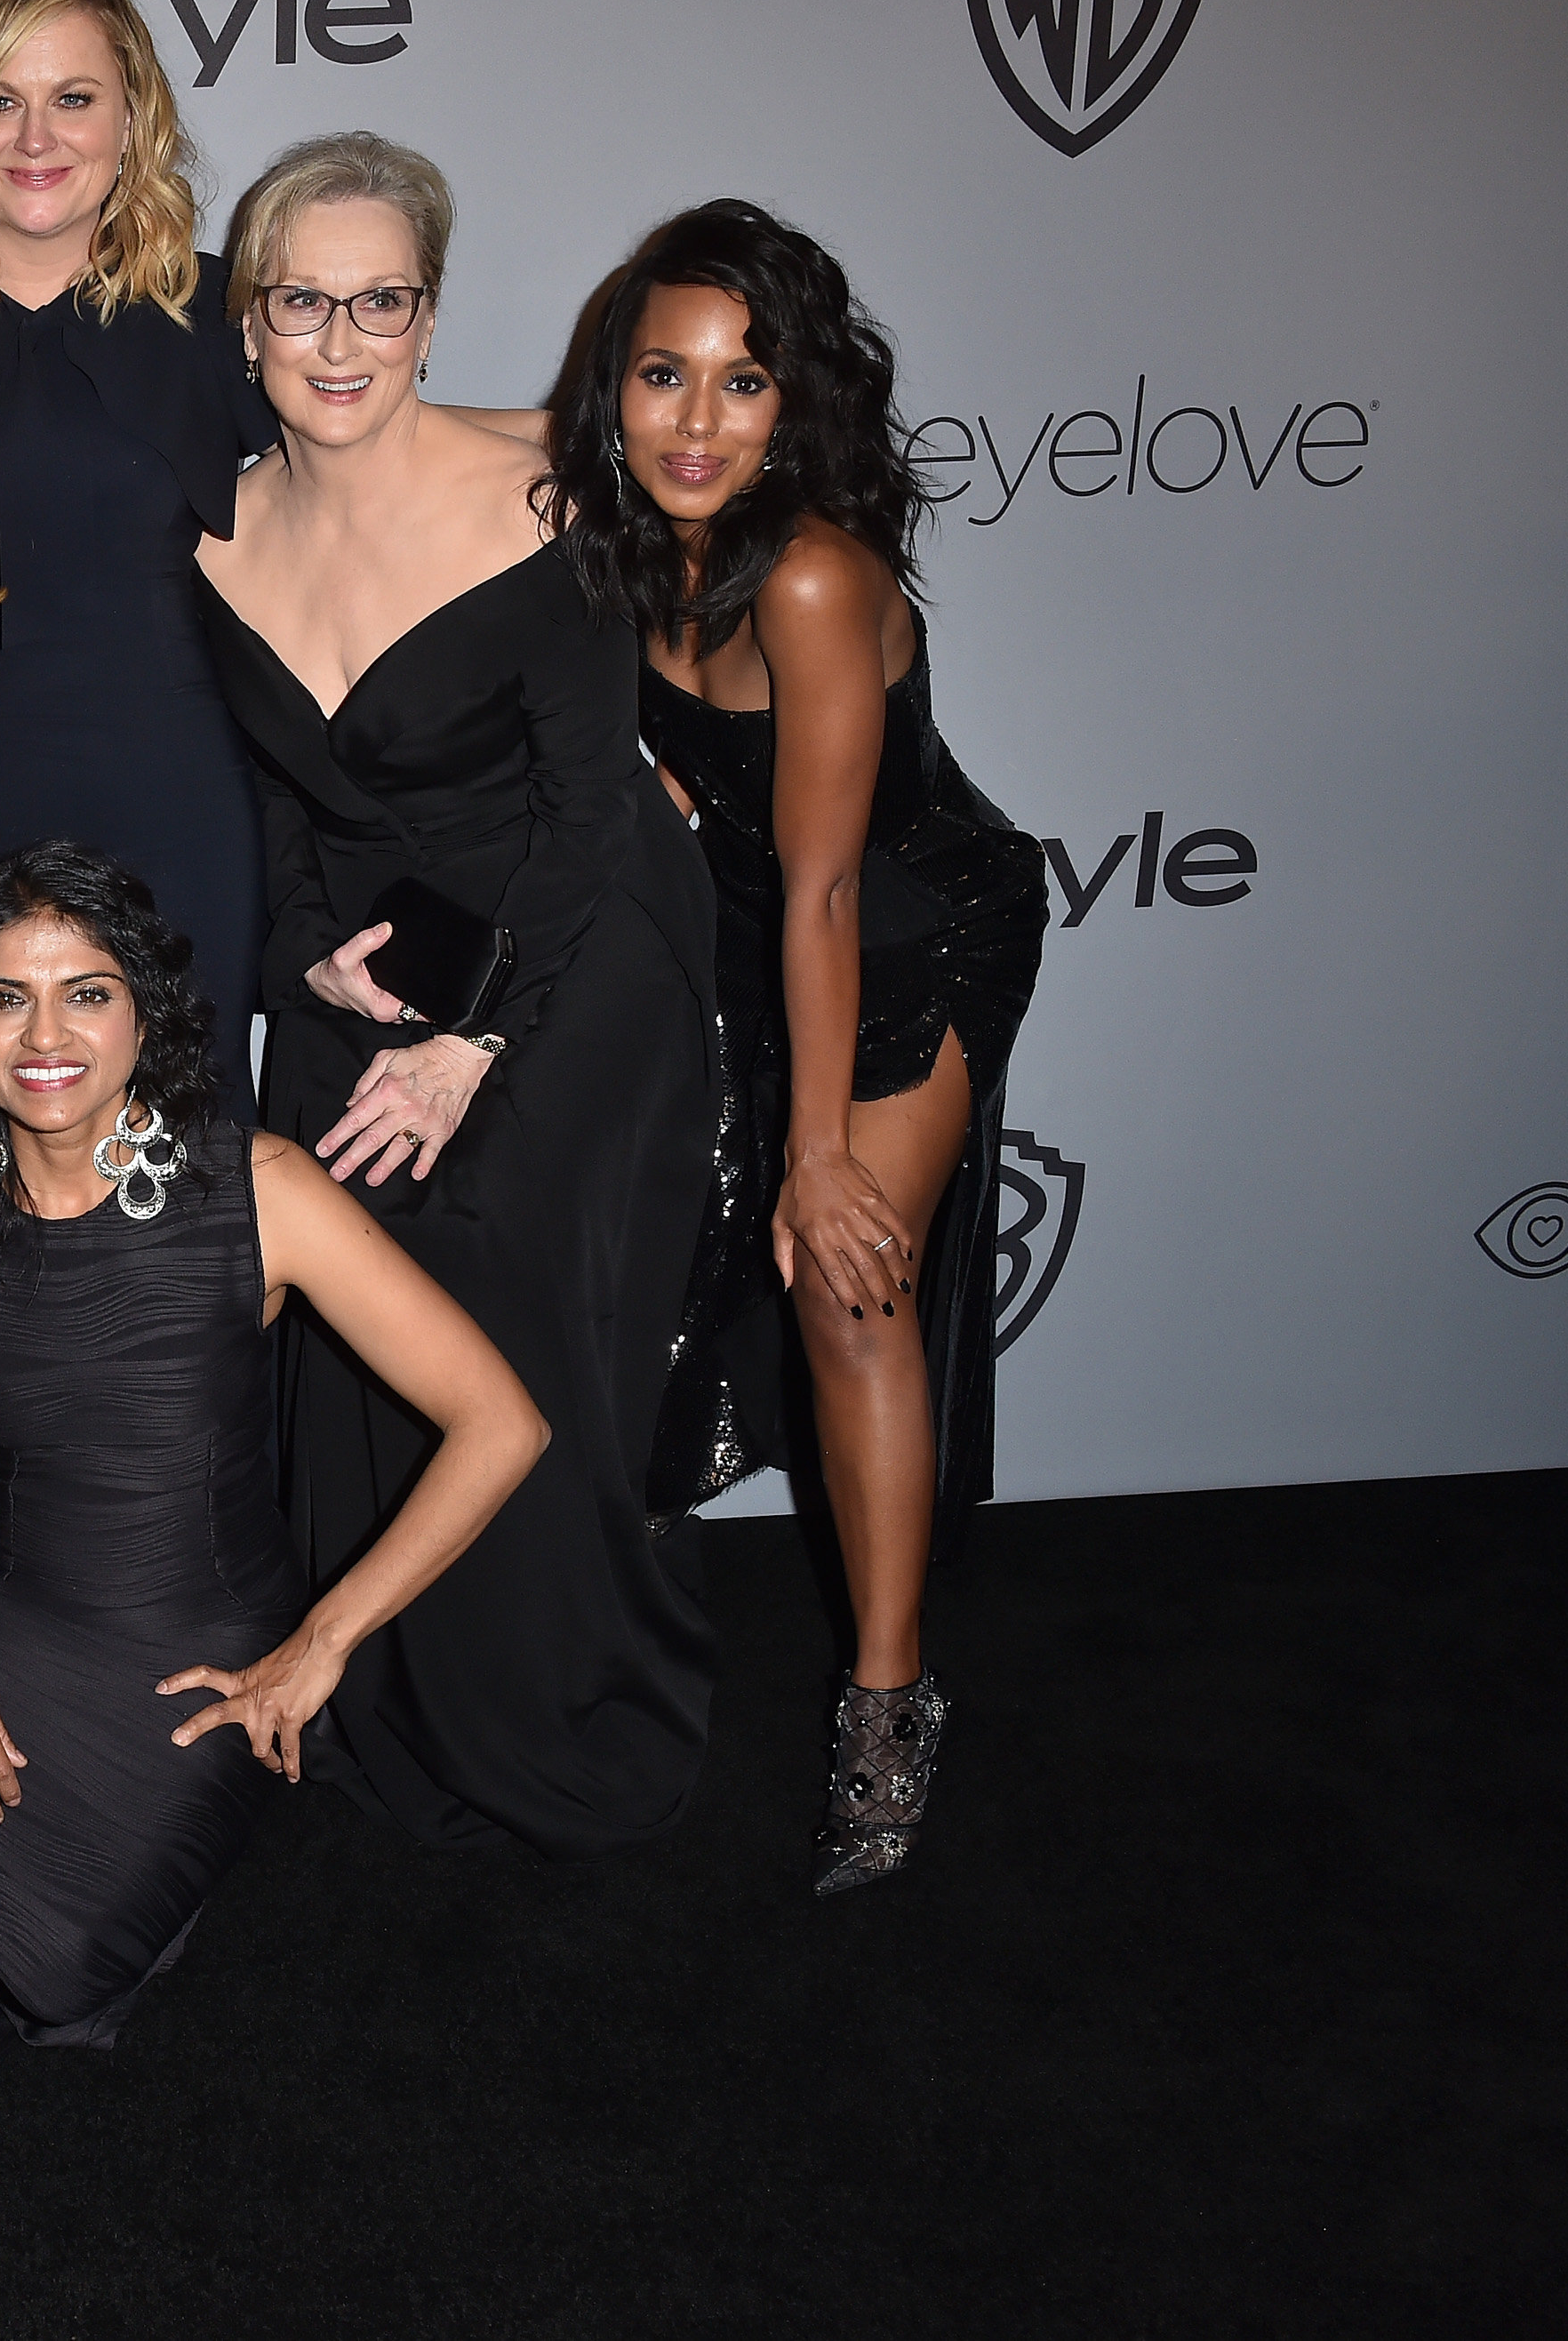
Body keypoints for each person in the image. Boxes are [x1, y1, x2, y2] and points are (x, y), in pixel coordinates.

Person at [0, 843, 544, 2153]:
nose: (46, 1033)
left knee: (67, 1971)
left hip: (193, 1653)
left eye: (88, 990)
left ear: (147, 1011)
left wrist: (317, 1648)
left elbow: (501, 1421)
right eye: (4, 995)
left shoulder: (259, 1186)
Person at [193, 134, 720, 1859]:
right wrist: (308, 965)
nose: (339, 341)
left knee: (510, 1307)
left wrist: (469, 1048)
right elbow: (272, 802)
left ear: (430, 314)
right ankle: (375, 1685)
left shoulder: (536, 493)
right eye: (302, 301)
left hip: (573, 962)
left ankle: (565, 1701)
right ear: (249, 313)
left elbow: (590, 816)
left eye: (381, 300)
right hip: (381, 942)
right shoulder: (217, 523)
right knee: (343, 1307)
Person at [553, 201, 1049, 1892]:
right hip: (752, 936)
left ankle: (888, 1701)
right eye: (661, 378)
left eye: (743, 383)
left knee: (850, 1288)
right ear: (610, 393)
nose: (697, 423)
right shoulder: (622, 544)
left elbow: (830, 885)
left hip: (907, 935)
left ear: (798, 403)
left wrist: (819, 1150)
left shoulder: (820, 574)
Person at [0, 0, 276, 1112]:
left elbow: (386, 475)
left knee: (186, 1177)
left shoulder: (223, 316)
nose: (34, 136)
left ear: (133, 118)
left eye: (73, 98)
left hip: (184, 811)